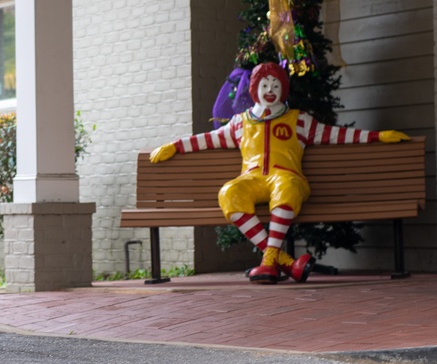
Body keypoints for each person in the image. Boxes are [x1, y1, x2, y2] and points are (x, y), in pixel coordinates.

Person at [149, 62, 409, 284]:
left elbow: (338, 134)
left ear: (283, 89)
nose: (269, 91)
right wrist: (174, 146)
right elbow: (206, 139)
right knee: (229, 192)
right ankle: (281, 260)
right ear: (255, 90)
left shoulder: (298, 120)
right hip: (252, 180)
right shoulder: (241, 122)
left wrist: (377, 136)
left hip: (287, 177)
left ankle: (270, 260)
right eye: (264, 85)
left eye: (275, 85)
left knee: (286, 186)